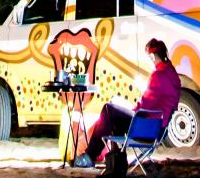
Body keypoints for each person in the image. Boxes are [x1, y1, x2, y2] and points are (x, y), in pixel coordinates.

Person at [73, 38, 181, 170]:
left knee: (108, 109)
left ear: (152, 56)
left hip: (146, 128)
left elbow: (145, 106)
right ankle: (111, 157)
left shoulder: (158, 76)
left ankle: (90, 155)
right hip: (159, 129)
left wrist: (133, 108)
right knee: (113, 116)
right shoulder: (172, 74)